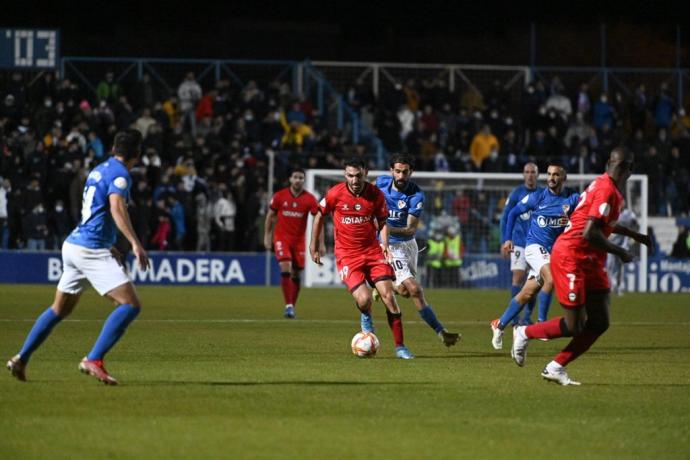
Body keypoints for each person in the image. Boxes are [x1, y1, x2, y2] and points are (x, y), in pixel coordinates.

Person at [6, 129, 150, 385]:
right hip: (90, 249)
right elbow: (116, 208)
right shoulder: (121, 176)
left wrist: (109, 244)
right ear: (137, 153)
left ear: (114, 147)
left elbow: (95, 211)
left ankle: (21, 358)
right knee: (130, 304)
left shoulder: (99, 169)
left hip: (74, 245)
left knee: (59, 309)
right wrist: (135, 244)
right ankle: (93, 359)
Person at [511, 147, 653, 385]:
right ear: (630, 169)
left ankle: (556, 367)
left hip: (591, 260)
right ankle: (524, 332)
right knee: (574, 325)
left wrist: (635, 235)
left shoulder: (600, 185)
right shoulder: (607, 191)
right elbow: (589, 233)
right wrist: (621, 251)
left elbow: (598, 224)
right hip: (572, 256)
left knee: (600, 321)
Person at [309, 157, 414, 359]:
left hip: (373, 252)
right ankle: (366, 316)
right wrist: (315, 245)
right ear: (344, 175)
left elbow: (383, 222)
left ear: (365, 173)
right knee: (365, 300)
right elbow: (319, 215)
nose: (355, 180)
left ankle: (400, 347)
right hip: (348, 256)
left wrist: (385, 245)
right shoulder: (335, 193)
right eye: (350, 175)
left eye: (358, 175)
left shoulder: (375, 194)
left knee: (389, 296)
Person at [373, 154, 460, 347]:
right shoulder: (380, 183)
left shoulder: (416, 195)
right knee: (415, 288)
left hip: (408, 244)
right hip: (390, 245)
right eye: (397, 171)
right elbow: (365, 194)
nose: (401, 175)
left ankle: (380, 283)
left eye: (405, 172)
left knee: (405, 291)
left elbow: (410, 229)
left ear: (410, 172)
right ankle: (442, 332)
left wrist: (383, 225)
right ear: (391, 171)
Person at [491, 162, 579, 350]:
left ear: (564, 178)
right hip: (533, 247)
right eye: (549, 174)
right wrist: (507, 239)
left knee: (527, 293)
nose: (551, 178)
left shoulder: (572, 199)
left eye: (556, 175)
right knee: (552, 279)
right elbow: (513, 213)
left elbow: (585, 216)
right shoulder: (537, 197)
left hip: (552, 252)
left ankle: (499, 325)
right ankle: (541, 324)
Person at [264, 168, 320, 319]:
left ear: (304, 180)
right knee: (285, 267)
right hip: (282, 238)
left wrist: (320, 243)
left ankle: (291, 307)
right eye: (295, 177)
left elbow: (318, 219)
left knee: (296, 274)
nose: (298, 180)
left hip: (299, 241)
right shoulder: (279, 196)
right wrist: (267, 236)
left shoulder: (310, 199)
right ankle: (288, 305)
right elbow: (270, 216)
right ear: (290, 179)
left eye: (301, 178)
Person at [499, 162, 542, 325]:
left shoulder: (543, 193)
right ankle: (515, 317)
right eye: (527, 172)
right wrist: (505, 240)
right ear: (523, 174)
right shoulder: (516, 193)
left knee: (535, 282)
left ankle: (527, 317)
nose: (530, 175)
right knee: (517, 277)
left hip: (538, 244)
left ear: (537, 175)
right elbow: (505, 217)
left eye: (533, 172)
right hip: (518, 242)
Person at [605, 208, 638, 295]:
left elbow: (635, 225)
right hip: (611, 244)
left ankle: (619, 288)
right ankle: (610, 287)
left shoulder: (629, 214)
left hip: (623, 246)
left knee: (620, 267)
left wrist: (633, 236)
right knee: (609, 266)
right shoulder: (610, 211)